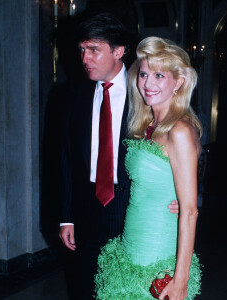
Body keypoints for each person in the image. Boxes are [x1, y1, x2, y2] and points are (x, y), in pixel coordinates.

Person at [58, 14, 179, 300]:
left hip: (133, 206)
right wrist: (66, 216)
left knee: (127, 289)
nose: (85, 58)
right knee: (85, 287)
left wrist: (179, 194)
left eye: (93, 49)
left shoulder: (148, 92)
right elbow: (64, 158)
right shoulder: (73, 96)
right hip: (86, 206)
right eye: (82, 50)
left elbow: (180, 140)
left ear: (118, 51)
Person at [95, 36, 203, 300]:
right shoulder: (148, 126)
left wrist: (180, 280)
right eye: (144, 74)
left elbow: (189, 211)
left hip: (157, 248)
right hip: (132, 244)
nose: (148, 83)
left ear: (178, 82)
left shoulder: (179, 130)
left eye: (159, 75)